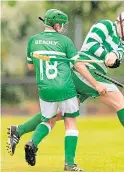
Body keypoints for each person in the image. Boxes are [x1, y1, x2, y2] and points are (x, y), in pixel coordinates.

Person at [7, 9, 124, 165]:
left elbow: (116, 57)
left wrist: (113, 59)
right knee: (120, 101)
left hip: (93, 74)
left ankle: (18, 130)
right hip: (83, 71)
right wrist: (106, 56)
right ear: (123, 23)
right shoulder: (104, 26)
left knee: (56, 114)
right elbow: (91, 45)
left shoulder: (122, 44)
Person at [7, 9, 103, 171]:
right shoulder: (65, 41)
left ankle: (33, 143)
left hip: (45, 89)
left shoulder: (33, 40)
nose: (63, 27)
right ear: (57, 25)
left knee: (47, 120)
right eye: (63, 24)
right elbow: (78, 65)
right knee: (70, 122)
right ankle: (69, 164)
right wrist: (96, 84)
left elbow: (31, 66)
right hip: (65, 88)